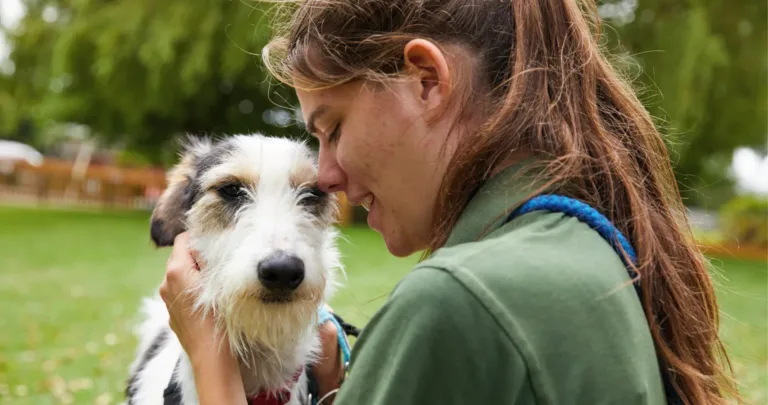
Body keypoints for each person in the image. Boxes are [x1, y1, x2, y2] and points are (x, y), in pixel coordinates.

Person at [159, 0, 739, 404]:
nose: (329, 176)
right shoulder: (597, 241)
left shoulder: (458, 301)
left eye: (333, 128)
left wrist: (210, 358)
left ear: (426, 82)